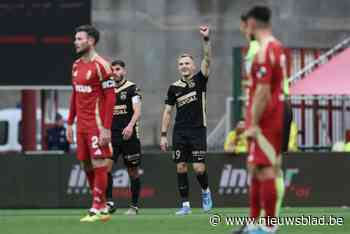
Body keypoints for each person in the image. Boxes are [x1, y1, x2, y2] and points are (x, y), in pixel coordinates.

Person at [242, 6, 287, 233]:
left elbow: (262, 92)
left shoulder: (263, 51)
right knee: (258, 167)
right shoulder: (277, 47)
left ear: (251, 23)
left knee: (266, 169)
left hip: (266, 118)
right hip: (276, 113)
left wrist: (253, 123)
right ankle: (258, 224)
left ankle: (268, 226)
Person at [160, 25, 213, 215]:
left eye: (187, 63)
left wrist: (206, 40)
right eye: (181, 64)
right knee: (181, 167)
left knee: (199, 168)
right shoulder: (173, 88)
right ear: (178, 67)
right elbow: (167, 112)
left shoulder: (200, 79)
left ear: (193, 66)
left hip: (198, 129)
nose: (184, 66)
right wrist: (163, 135)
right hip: (179, 132)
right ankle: (185, 206)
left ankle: (205, 192)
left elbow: (208, 58)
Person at [66, 25, 116, 222]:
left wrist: (106, 127)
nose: (75, 42)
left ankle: (95, 208)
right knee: (85, 164)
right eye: (75, 38)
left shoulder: (102, 65)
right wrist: (70, 123)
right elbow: (75, 94)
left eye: (80, 39)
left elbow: (111, 98)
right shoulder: (76, 65)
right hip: (81, 126)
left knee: (99, 163)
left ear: (91, 41)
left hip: (96, 125)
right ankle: (103, 206)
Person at [105, 59, 142, 215]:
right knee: (104, 168)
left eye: (118, 69)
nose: (115, 72)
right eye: (112, 69)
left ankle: (134, 206)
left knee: (133, 172)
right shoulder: (106, 89)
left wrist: (130, 126)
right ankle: (109, 203)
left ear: (124, 71)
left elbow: (137, 111)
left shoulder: (132, 88)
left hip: (129, 136)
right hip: (112, 136)